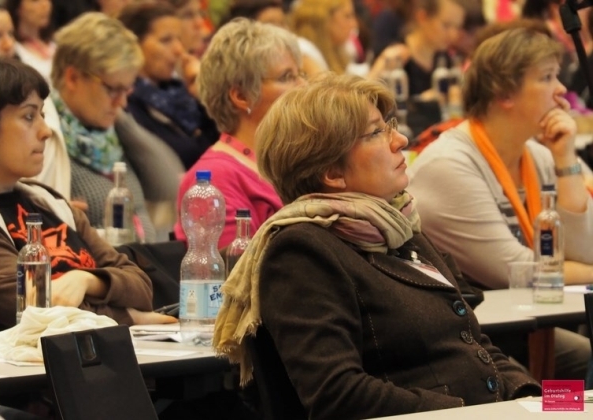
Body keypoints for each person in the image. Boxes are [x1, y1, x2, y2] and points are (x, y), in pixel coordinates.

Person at [213, 73, 541, 419]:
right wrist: (472, 414)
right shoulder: (301, 252)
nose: (400, 140)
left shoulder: (399, 228)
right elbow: (338, 395)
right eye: (375, 133)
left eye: (389, 126)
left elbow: (476, 345)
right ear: (332, 172)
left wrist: (534, 399)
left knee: (575, 400)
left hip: (494, 411)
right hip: (453, 416)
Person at [409, 28, 593, 379]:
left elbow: (587, 250)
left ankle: (561, 405)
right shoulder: (449, 165)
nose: (561, 90)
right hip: (462, 346)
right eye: (546, 77)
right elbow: (518, 271)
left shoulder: (540, 155)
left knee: (586, 364)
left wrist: (566, 160)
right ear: (504, 93)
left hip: (527, 328)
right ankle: (554, 405)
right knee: (577, 372)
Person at [0, 56, 175, 340]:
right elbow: (35, 311)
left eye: (42, 115)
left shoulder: (49, 202)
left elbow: (140, 286)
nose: (45, 131)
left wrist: (86, 280)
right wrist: (129, 317)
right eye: (29, 117)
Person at [173, 18, 304, 248]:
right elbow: (234, 267)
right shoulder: (213, 180)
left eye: (300, 74)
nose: (303, 86)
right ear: (242, 96)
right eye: (286, 77)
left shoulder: (291, 160)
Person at [51, 12, 183, 241]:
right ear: (72, 77)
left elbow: (168, 186)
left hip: (144, 259)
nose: (122, 102)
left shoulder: (109, 136)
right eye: (113, 89)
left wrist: (121, 119)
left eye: (127, 90)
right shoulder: (48, 136)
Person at [119, 1, 219, 171]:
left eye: (179, 39)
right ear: (133, 45)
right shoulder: (128, 103)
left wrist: (204, 96)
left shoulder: (179, 90)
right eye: (166, 40)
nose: (179, 50)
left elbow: (222, 138)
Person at [5, 0, 55, 80]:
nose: (45, 4)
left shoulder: (55, 44)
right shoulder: (9, 48)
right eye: (35, 1)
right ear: (17, 7)